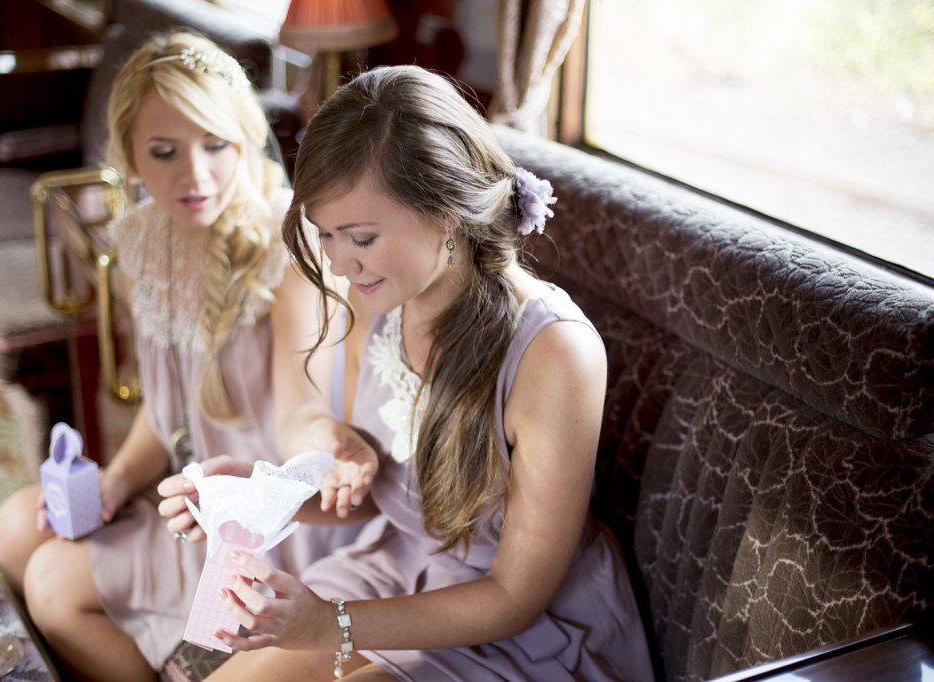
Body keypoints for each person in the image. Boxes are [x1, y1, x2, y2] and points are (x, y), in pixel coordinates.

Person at [202, 64, 653, 681]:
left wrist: (329, 623)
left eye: (359, 237)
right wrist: (260, 495)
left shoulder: (556, 356)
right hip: (399, 566)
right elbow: (384, 498)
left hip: (524, 627)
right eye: (326, 235)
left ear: (446, 215)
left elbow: (514, 596)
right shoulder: (380, 295)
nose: (337, 261)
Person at [0, 31, 365, 682]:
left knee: (51, 583)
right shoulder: (138, 240)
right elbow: (163, 416)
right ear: (130, 158)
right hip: (188, 503)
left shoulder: (290, 247)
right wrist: (117, 481)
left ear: (244, 137)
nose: (195, 177)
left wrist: (329, 446)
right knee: (14, 527)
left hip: (270, 522)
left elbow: (299, 417)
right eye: (164, 153)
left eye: (215, 145)